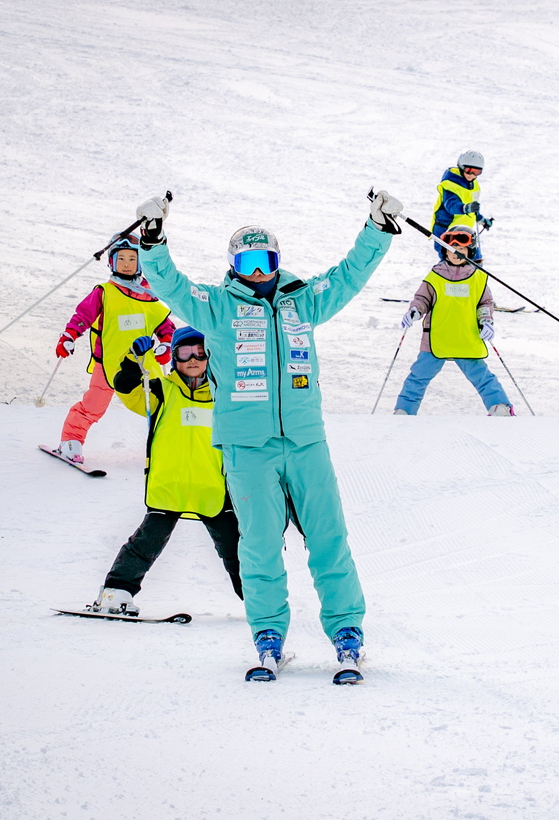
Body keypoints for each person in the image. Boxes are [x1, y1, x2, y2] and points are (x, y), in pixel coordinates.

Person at [132, 189, 405, 681]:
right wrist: (152, 241)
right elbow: (169, 284)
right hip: (246, 447)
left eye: (266, 260)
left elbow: (349, 276)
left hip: (305, 441)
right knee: (257, 545)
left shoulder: (303, 302)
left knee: (328, 539)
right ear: (235, 265)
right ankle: (268, 635)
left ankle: (347, 633)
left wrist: (377, 229)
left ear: (277, 261)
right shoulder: (216, 307)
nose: (258, 272)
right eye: (248, 262)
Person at [87, 326, 243, 616]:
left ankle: (261, 602)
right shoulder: (161, 389)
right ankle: (115, 594)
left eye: (200, 352)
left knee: (236, 549)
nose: (193, 359)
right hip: (169, 486)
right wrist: (134, 359)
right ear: (174, 358)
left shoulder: (225, 395)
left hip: (213, 488)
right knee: (146, 542)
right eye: (185, 353)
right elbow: (126, 386)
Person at [53, 235, 175, 464]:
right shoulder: (105, 292)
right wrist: (69, 335)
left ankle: (165, 443)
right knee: (94, 404)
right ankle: (71, 440)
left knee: (159, 402)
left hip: (142, 364)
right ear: (112, 262)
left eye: (132, 258)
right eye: (121, 258)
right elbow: (83, 316)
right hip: (108, 363)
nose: (127, 263)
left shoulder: (149, 295)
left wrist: (166, 343)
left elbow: (164, 324)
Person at [393, 226, 514, 416]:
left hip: (465, 338)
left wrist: (486, 321)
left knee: (481, 376)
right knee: (418, 376)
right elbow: (422, 299)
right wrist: (415, 311)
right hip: (436, 338)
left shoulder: (478, 278)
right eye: (451, 248)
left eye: (462, 249)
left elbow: (485, 303)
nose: (456, 253)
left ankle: (500, 406)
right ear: (444, 250)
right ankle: (404, 410)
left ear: (470, 251)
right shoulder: (435, 276)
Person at [432, 150, 493, 260]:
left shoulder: (474, 185)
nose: (472, 175)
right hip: (446, 230)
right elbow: (451, 205)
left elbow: (473, 208)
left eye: (477, 172)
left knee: (474, 257)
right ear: (461, 166)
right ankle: (446, 276)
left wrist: (481, 219)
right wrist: (465, 208)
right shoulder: (450, 183)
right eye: (469, 170)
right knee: (451, 260)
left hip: (464, 231)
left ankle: (476, 275)